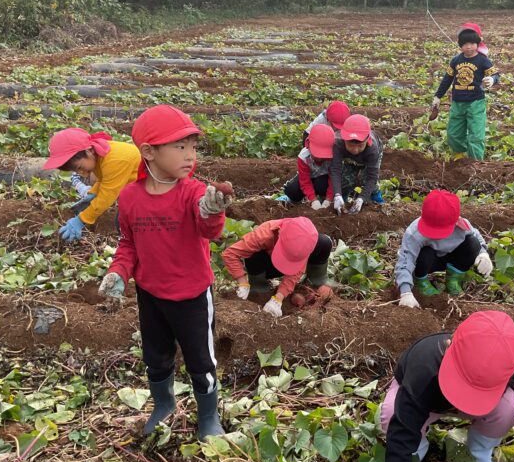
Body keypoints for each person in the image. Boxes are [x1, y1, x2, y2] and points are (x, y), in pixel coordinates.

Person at [97, 105, 232, 441]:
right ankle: (163, 405)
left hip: (192, 295)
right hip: (151, 294)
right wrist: (118, 272)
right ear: (148, 152)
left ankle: (208, 416)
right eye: (180, 146)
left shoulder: (194, 192)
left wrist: (212, 211)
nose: (190, 155)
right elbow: (128, 243)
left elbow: (208, 229)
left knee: (200, 360)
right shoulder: (130, 198)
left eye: (193, 147)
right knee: (155, 356)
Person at [381, 310, 514, 462]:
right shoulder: (423, 369)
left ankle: (480, 454)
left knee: (509, 407)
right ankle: (418, 448)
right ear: (449, 345)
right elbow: (401, 435)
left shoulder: (502, 362)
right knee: (392, 412)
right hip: (427, 402)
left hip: (476, 405)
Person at [395, 189, 493, 308]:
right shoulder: (414, 233)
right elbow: (405, 261)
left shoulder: (461, 225)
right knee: (425, 253)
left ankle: (453, 280)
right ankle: (421, 282)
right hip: (428, 262)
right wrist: (405, 292)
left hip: (451, 258)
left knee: (473, 243)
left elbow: (476, 236)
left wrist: (483, 254)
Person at [221, 216, 333, 318]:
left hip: (292, 266)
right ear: (279, 233)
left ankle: (316, 281)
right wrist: (243, 283)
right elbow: (230, 254)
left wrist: (278, 298)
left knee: (324, 242)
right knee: (254, 255)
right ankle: (259, 289)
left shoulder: (305, 244)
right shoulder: (263, 235)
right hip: (268, 266)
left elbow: (295, 273)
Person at [43, 128, 140, 241]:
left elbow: (106, 196)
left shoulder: (115, 160)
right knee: (123, 222)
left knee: (127, 222)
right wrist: (92, 194)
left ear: (89, 151)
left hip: (152, 193)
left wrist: (81, 219)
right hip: (140, 190)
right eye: (75, 171)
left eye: (79, 167)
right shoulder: (100, 155)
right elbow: (104, 180)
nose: (81, 173)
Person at [431, 25, 500, 160]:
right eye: (465, 44)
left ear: (477, 44)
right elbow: (447, 79)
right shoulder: (456, 60)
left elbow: (496, 74)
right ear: (460, 45)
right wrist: (438, 96)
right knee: (454, 134)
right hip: (457, 103)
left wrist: (492, 79)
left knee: (476, 136)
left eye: (472, 44)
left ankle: (476, 163)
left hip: (476, 103)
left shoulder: (483, 60)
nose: (469, 47)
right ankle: (461, 158)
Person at [329, 114, 383, 215]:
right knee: (345, 179)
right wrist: (337, 194)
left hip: (367, 157)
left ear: (367, 140)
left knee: (368, 180)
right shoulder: (338, 143)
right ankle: (343, 200)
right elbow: (335, 170)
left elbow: (372, 177)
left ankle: (378, 199)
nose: (355, 150)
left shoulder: (372, 149)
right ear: (344, 139)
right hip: (348, 158)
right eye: (350, 145)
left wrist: (361, 198)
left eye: (360, 146)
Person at [277, 124, 335, 209]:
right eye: (316, 153)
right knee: (291, 189)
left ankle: (323, 199)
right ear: (308, 144)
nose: (319, 158)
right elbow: (305, 181)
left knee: (321, 184)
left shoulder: (334, 157)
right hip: (310, 178)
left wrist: (328, 199)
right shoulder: (304, 157)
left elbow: (333, 179)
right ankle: (300, 200)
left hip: (323, 180)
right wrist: (313, 200)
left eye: (323, 155)